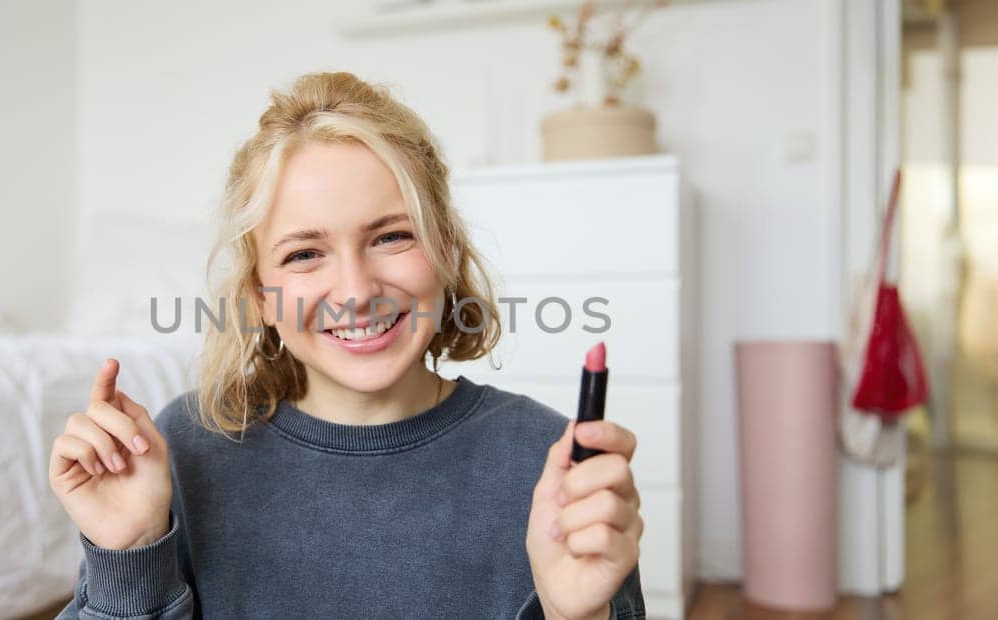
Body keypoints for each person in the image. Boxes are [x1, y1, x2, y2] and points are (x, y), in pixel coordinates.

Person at [51, 72, 646, 619]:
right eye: (304, 254)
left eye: (390, 237)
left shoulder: (545, 462)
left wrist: (579, 618)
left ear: (446, 252)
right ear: (259, 294)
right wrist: (129, 556)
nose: (357, 293)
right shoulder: (185, 447)